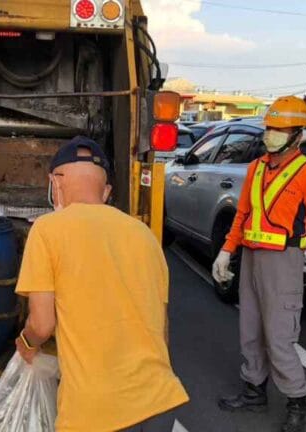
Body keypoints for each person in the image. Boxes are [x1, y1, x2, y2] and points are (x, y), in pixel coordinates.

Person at [14, 136, 189, 432]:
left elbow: (42, 324)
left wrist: (27, 343)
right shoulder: (144, 235)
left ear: (55, 183)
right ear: (106, 191)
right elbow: (162, 328)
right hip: (159, 400)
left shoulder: (47, 230)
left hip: (95, 412)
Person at [211, 96, 306, 432]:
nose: (272, 135)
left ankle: (297, 401)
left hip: (284, 261)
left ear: (297, 135)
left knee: (279, 335)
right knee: (249, 329)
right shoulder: (255, 168)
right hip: (251, 257)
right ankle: (254, 392)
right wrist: (226, 251)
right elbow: (243, 214)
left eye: (280, 130)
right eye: (269, 128)